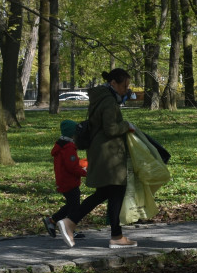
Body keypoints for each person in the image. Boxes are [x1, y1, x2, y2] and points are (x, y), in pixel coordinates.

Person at [55, 69, 137, 249]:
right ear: (114, 83)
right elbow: (110, 129)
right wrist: (127, 126)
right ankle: (73, 223)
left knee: (108, 193)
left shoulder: (102, 98)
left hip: (103, 152)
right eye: (124, 85)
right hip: (109, 155)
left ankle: (114, 235)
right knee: (113, 191)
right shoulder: (108, 101)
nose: (126, 89)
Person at [42, 120, 87, 238]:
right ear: (72, 134)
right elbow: (72, 167)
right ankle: (69, 228)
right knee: (74, 207)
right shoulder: (69, 148)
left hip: (63, 181)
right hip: (69, 182)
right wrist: (86, 173)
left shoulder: (62, 145)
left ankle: (52, 220)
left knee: (71, 205)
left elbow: (71, 163)